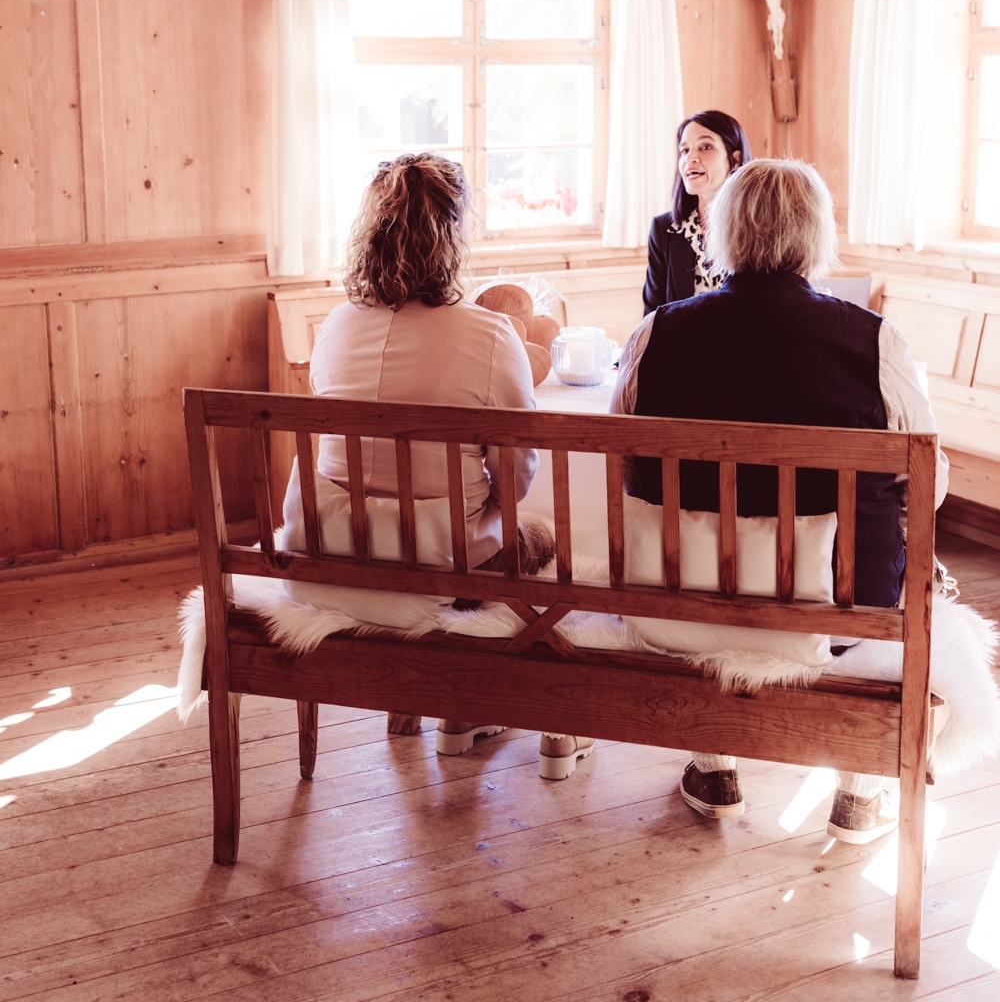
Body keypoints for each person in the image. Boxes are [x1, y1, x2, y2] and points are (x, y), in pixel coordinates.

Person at [614, 159, 949, 844]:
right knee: (905, 560)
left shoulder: (656, 333)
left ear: (724, 233)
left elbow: (624, 458)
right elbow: (928, 484)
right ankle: (861, 788)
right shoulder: (874, 342)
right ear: (817, 234)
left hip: (680, 597)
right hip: (837, 610)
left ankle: (715, 766)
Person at [308, 152, 556, 759]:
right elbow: (517, 477)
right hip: (444, 560)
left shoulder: (334, 327)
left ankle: (424, 704)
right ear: (452, 236)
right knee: (540, 536)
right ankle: (475, 702)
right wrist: (483, 505)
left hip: (335, 548)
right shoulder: (490, 334)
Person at [643, 110, 751, 313]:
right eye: (684, 150)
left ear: (735, 159)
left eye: (705, 147)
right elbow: (652, 318)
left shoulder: (758, 227)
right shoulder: (663, 229)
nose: (690, 158)